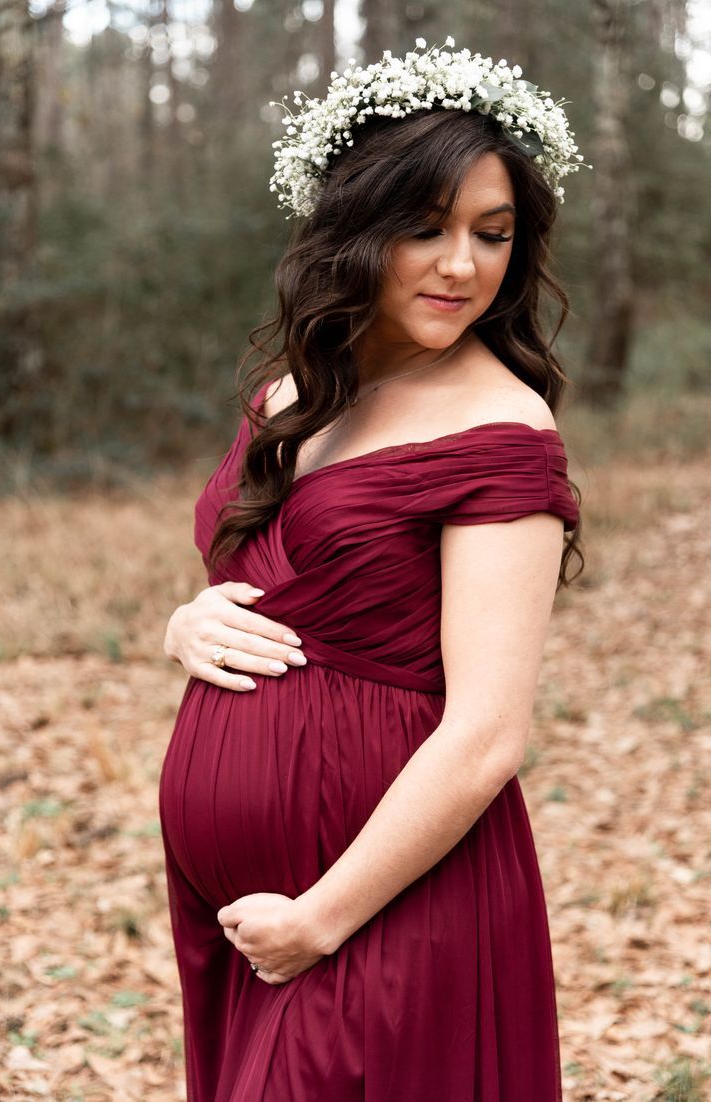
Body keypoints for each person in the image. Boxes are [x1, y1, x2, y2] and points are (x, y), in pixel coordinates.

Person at [159, 38, 586, 1101]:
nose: (461, 265)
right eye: (423, 227)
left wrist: (322, 916)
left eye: (492, 235)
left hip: (382, 900)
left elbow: (486, 731)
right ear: (352, 227)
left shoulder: (502, 429)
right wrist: (184, 624)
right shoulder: (286, 400)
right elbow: (257, 581)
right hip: (246, 914)